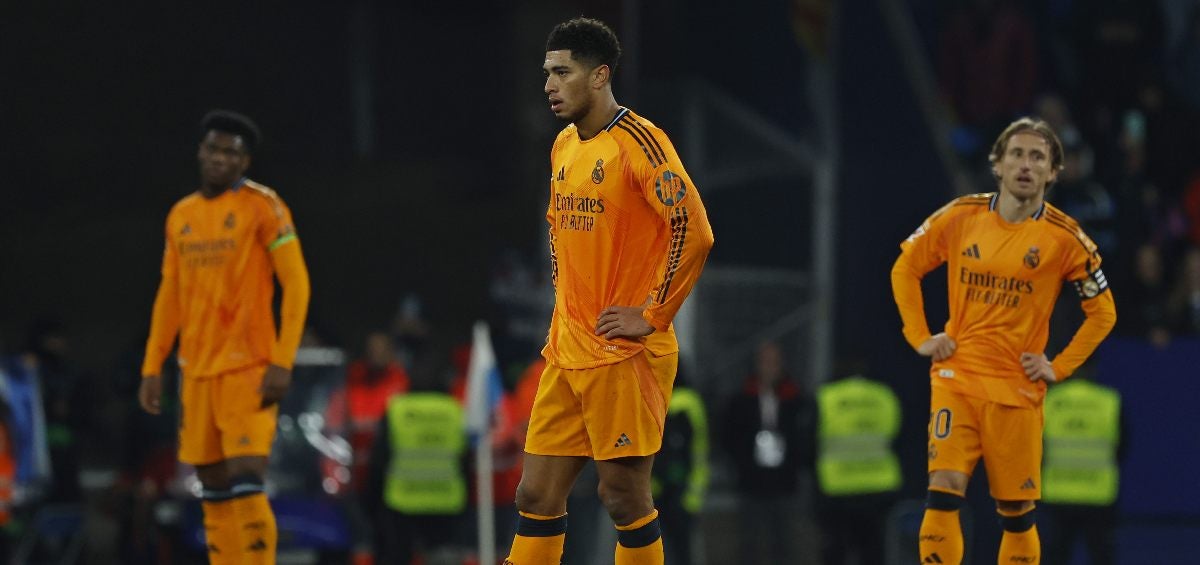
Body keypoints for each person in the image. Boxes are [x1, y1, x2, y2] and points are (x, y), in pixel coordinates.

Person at [505, 17, 714, 565]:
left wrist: (653, 314)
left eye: (562, 73)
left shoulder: (641, 143)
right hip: (567, 350)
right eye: (547, 73)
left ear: (599, 76)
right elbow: (559, 231)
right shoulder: (563, 146)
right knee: (535, 495)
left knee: (622, 496)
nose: (549, 85)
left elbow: (693, 230)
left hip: (623, 354)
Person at [891, 116, 1117, 564]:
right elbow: (906, 267)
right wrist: (919, 336)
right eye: (1016, 154)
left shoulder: (1066, 238)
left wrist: (1059, 366)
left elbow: (1103, 312)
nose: (1026, 165)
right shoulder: (960, 216)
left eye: (1038, 157)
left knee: (1016, 514)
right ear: (997, 164)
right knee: (943, 490)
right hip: (957, 378)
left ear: (1053, 172)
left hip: (1017, 389)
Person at [139, 110, 311, 564]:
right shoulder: (181, 215)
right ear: (200, 152)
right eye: (213, 149)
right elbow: (169, 296)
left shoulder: (264, 206)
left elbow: (297, 284)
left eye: (230, 153)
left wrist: (282, 360)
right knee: (212, 488)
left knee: (246, 477)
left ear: (244, 162)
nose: (219, 158)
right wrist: (153, 364)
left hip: (247, 368)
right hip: (196, 373)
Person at [724, 341, 813, 564]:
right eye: (765, 362)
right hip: (751, 481)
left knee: (783, 540)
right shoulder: (742, 399)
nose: (769, 367)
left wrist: (795, 462)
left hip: (784, 481)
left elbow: (804, 436)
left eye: (774, 362)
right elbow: (730, 436)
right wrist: (742, 462)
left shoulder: (794, 398)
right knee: (749, 541)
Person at [814, 370, 902, 565]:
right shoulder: (883, 395)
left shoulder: (827, 396)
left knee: (836, 552)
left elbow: (810, 443)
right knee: (872, 551)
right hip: (877, 485)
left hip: (837, 487)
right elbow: (899, 436)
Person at [1041, 369, 1123, 565]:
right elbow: (1121, 447)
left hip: (1057, 493)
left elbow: (1035, 446)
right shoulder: (1109, 401)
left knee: (1055, 557)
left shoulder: (1049, 400)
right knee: (1101, 556)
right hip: (1098, 494)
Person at [650, 377, 709, 565]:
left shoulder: (649, 392)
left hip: (660, 490)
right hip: (675, 490)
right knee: (682, 549)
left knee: (656, 550)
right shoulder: (691, 400)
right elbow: (699, 450)